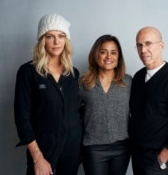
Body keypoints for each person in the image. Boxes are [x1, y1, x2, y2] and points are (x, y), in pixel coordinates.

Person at [14, 13, 82, 175]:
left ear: (66, 40)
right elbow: (22, 117)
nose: (56, 42)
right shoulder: (28, 72)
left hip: (72, 150)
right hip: (44, 150)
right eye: (50, 36)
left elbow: (77, 111)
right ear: (42, 40)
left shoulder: (73, 74)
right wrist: (38, 157)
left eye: (61, 36)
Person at [129, 27, 168, 175]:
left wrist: (162, 158)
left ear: (161, 46)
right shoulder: (138, 78)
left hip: (157, 157)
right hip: (137, 154)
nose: (143, 50)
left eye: (148, 43)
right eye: (139, 45)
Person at [79, 34, 132, 175]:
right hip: (93, 147)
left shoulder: (128, 82)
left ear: (118, 57)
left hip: (122, 147)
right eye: (103, 52)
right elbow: (72, 115)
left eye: (113, 52)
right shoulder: (83, 83)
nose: (109, 56)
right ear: (96, 55)